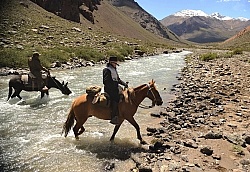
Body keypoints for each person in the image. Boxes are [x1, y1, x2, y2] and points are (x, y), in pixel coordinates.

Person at [103, 56, 128, 125]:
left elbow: (118, 79)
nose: (115, 64)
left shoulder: (114, 69)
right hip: (109, 89)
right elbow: (106, 82)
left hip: (114, 87)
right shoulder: (107, 70)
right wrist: (115, 84)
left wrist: (124, 84)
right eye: (115, 63)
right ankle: (113, 117)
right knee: (116, 98)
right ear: (111, 63)